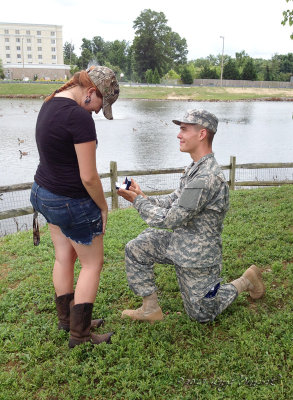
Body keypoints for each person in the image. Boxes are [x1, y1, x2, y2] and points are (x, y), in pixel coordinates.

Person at [118, 109, 265, 324]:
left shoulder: (207, 177)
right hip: (178, 242)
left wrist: (136, 201)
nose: (179, 135)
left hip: (198, 257)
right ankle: (150, 309)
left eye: (184, 129)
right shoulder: (195, 168)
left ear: (202, 134)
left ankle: (245, 281)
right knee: (136, 247)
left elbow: (169, 219)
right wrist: (141, 195)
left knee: (202, 315)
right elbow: (173, 201)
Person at [30, 66, 119, 347]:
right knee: (92, 264)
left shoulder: (50, 103)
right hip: (70, 201)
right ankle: (80, 336)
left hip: (43, 192)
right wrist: (103, 206)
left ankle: (68, 320)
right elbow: (89, 176)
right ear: (90, 91)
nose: (96, 112)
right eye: (98, 105)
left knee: (63, 257)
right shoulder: (79, 117)